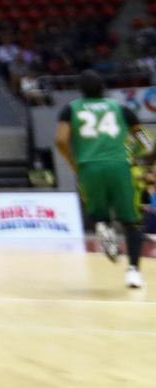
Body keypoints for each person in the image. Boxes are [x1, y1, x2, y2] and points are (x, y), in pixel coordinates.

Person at [56, 70, 145, 290]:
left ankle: (104, 228)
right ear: (103, 87)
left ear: (81, 90)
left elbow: (60, 140)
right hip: (119, 165)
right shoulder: (120, 108)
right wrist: (136, 153)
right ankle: (133, 271)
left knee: (98, 213)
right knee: (132, 221)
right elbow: (144, 140)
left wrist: (73, 163)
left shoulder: (71, 109)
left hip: (89, 167)